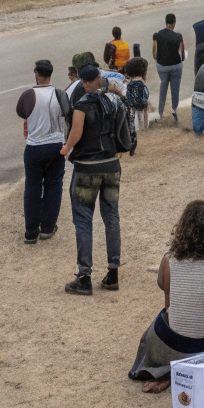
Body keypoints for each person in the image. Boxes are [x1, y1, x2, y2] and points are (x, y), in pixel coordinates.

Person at [128, 200, 204, 391]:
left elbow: (162, 286)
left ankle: (165, 371)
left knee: (155, 328)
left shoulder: (171, 260)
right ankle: (186, 370)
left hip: (172, 346)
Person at [60, 63, 129, 296]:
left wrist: (67, 147)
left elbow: (77, 132)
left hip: (87, 167)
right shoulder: (109, 101)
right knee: (111, 217)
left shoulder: (82, 105)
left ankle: (84, 275)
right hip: (111, 164)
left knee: (83, 220)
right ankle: (113, 272)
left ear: (83, 82)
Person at [15, 59, 69, 243]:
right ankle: (47, 227)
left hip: (35, 145)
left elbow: (22, 113)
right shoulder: (60, 94)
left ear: (37, 73)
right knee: (54, 186)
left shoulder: (29, 95)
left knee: (32, 187)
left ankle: (31, 231)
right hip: (56, 144)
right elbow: (67, 114)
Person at [152, 13, 184, 125]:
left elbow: (155, 54)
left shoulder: (157, 35)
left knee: (163, 87)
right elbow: (182, 55)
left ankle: (160, 112)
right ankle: (174, 110)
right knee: (175, 89)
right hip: (176, 66)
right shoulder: (178, 36)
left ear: (166, 23)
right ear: (174, 23)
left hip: (162, 67)